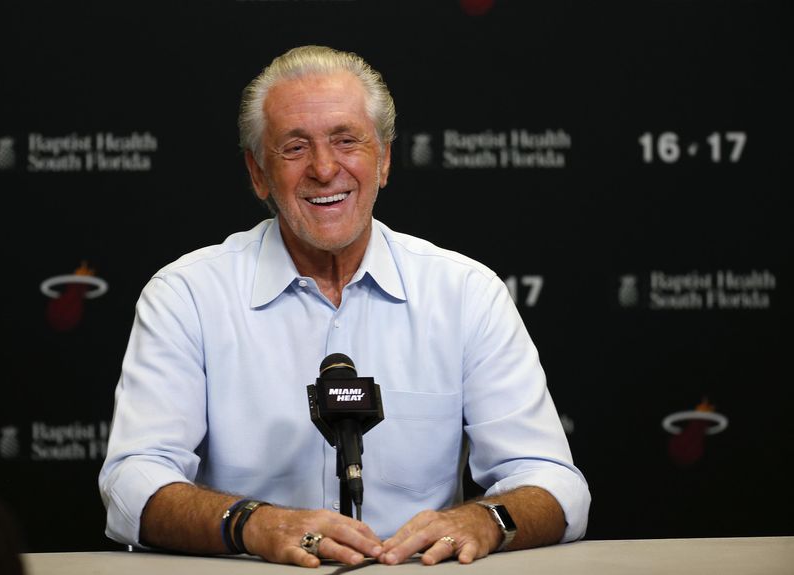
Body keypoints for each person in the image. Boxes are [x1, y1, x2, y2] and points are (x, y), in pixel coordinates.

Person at [99, 44, 590, 568]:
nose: (324, 168)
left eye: (346, 140)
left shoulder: (466, 293)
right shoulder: (187, 296)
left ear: (383, 161)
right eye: (294, 147)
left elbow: (556, 485)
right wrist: (255, 524)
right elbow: (132, 484)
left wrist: (485, 520)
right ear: (258, 173)